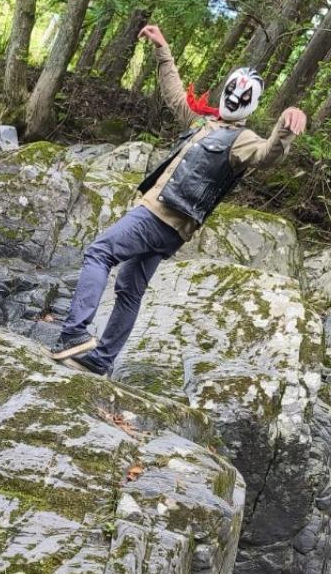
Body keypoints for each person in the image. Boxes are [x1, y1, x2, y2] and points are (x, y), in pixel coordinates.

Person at [50, 24, 308, 375]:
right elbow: (174, 95)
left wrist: (284, 130)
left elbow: (266, 156)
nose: (235, 97)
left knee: (100, 251)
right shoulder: (203, 123)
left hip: (160, 217)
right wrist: (163, 50)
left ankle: (73, 333)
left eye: (243, 95)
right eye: (233, 89)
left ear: (253, 104)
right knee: (129, 288)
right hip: (170, 227)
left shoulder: (243, 139)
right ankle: (101, 359)